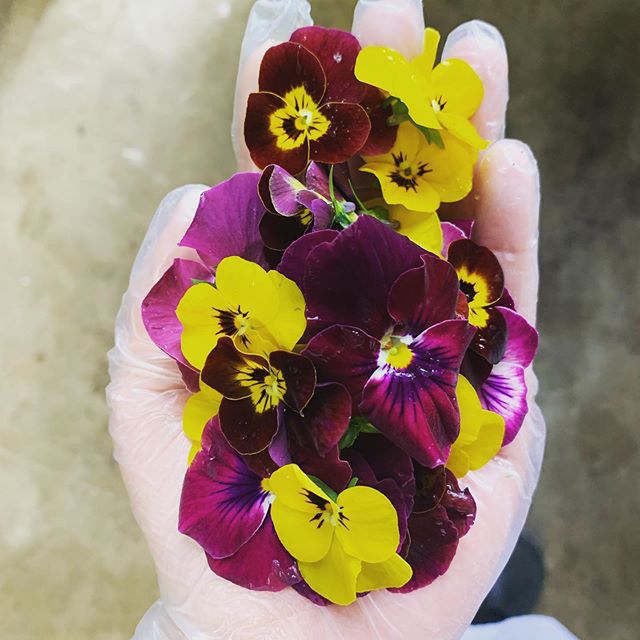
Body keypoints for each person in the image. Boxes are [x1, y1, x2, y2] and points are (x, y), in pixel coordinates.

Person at [106, 0, 577, 637]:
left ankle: (497, 583)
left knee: (457, 513)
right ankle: (502, 589)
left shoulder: (318, 377)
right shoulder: (312, 385)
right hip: (344, 402)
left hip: (348, 384)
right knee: (494, 576)